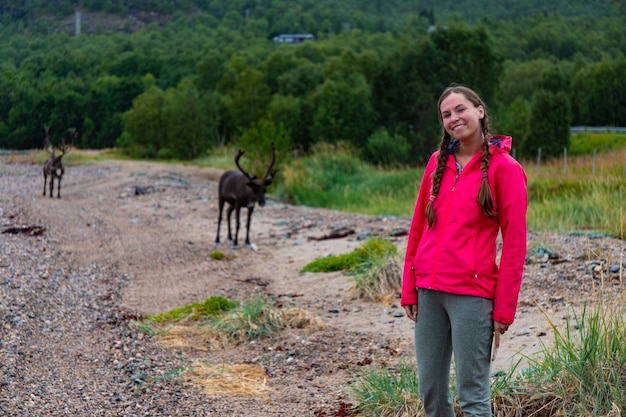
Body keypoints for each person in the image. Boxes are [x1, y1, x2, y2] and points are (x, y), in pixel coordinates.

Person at [401, 85, 528, 417]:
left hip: (472, 296)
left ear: (480, 111)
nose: (454, 118)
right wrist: (408, 288)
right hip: (428, 292)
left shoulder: (507, 170)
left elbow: (515, 245)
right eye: (446, 114)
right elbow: (417, 229)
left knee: (472, 397)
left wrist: (503, 311)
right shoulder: (436, 163)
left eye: (460, 109)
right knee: (431, 391)